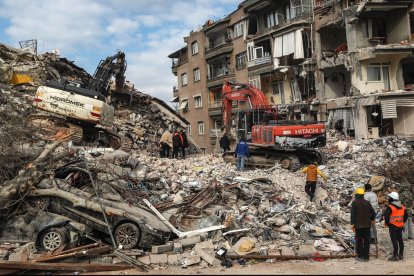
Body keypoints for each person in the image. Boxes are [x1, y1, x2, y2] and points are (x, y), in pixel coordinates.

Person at [351, 188, 376, 262]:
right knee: (366, 241)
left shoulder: (355, 203)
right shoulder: (367, 203)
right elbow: (373, 213)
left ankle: (360, 256)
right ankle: (366, 257)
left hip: (358, 226)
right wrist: (372, 219)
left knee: (359, 241)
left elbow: (353, 215)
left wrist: (352, 224)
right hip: (367, 226)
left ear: (357, 195)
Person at [384, 191, 409, 261]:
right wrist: (402, 222)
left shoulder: (390, 207)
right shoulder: (403, 207)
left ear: (392, 198)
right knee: (400, 240)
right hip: (400, 226)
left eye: (390, 197)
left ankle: (395, 255)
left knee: (394, 240)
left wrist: (388, 224)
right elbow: (406, 216)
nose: (388, 198)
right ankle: (401, 255)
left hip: (393, 226)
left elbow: (386, 216)